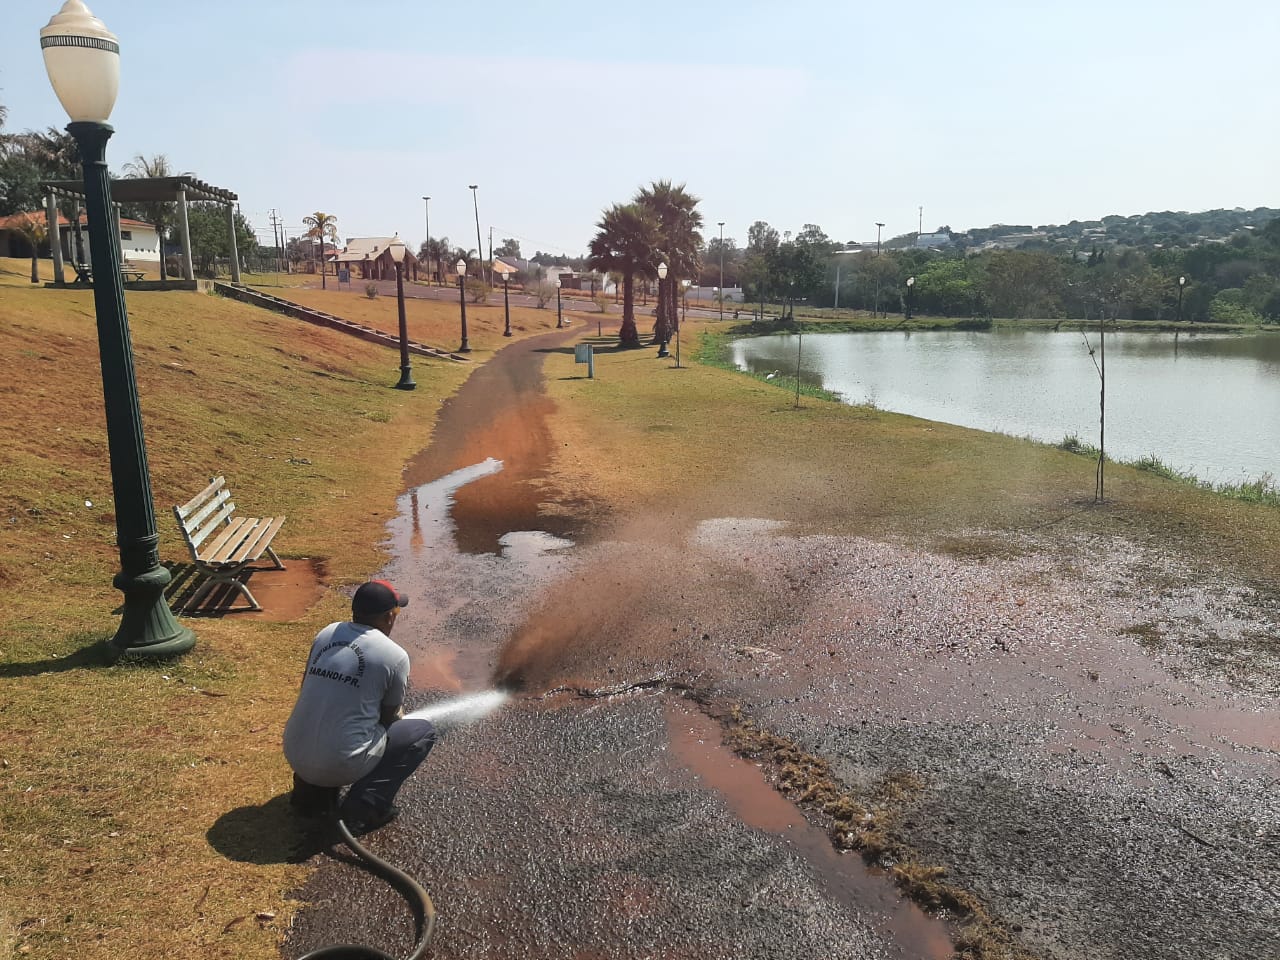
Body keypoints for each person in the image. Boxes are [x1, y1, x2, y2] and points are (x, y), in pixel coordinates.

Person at [283, 579, 435, 830]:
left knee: (332, 713)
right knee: (418, 733)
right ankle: (366, 806)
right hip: (340, 764)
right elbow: (388, 718)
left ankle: (309, 794)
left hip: (294, 752)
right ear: (389, 617)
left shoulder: (326, 633)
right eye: (396, 613)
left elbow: (308, 688)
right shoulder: (394, 656)